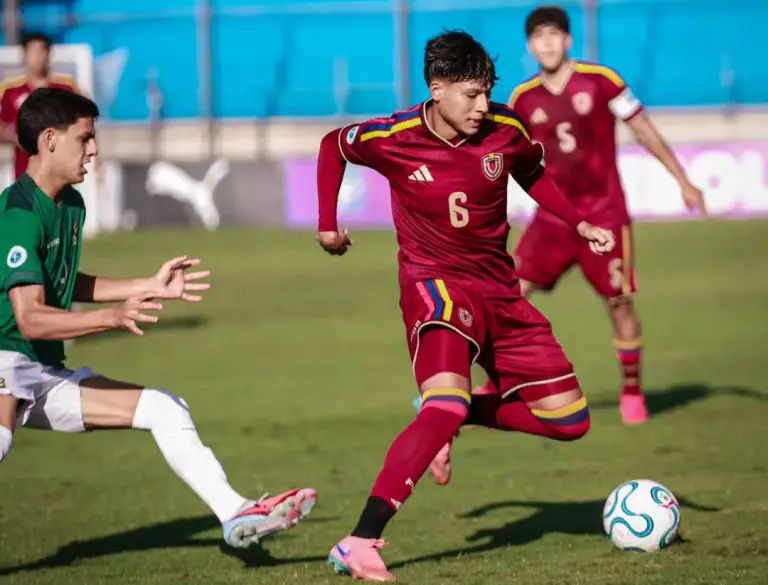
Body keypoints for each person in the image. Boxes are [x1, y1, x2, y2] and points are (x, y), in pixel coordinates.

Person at [316, 30, 614, 581]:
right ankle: (360, 541)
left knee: (570, 421)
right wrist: (328, 226)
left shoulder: (507, 129)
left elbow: (533, 174)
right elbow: (333, 145)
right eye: (471, 95)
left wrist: (580, 221)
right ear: (437, 89)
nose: (482, 106)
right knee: (445, 403)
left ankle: (448, 418)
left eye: (486, 93)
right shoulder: (394, 134)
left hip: (500, 289)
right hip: (436, 286)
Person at [0, 87, 317, 549]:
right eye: (85, 138)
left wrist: (147, 285)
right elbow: (29, 317)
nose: (94, 149)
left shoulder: (70, 205)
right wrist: (111, 317)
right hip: (7, 358)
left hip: (45, 369)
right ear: (49, 139)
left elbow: (64, 283)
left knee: (164, 408)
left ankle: (234, 514)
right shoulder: (18, 213)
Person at [507, 5, 707, 425]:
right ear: (529, 46)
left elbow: (641, 127)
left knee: (619, 301)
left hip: (604, 214)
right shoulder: (521, 99)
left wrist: (682, 179)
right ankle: (492, 390)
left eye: (554, 35)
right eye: (538, 37)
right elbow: (507, 157)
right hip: (552, 219)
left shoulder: (603, 82)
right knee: (507, 297)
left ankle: (632, 394)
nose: (547, 43)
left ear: (568, 40)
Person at [0, 33, 82, 180]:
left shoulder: (66, 88)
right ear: (24, 55)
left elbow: (84, 123)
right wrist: (12, 135)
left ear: (49, 54)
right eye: (33, 52)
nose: (38, 57)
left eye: (41, 51)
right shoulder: (10, 91)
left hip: (59, 178)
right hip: (24, 176)